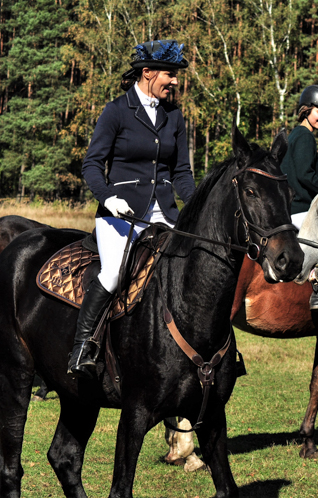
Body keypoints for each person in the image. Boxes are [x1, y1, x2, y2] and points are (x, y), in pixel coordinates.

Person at [69, 40, 196, 378]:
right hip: (120, 212)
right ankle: (83, 346)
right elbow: (92, 165)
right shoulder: (117, 111)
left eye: (176, 75)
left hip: (163, 212)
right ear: (148, 73)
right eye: (170, 74)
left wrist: (194, 206)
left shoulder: (175, 116)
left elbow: (181, 172)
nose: (175, 81)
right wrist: (108, 197)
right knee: (114, 272)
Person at [279, 85, 318, 311]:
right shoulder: (305, 137)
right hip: (302, 209)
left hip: (292, 206)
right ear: (306, 110)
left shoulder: (295, 134)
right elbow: (306, 176)